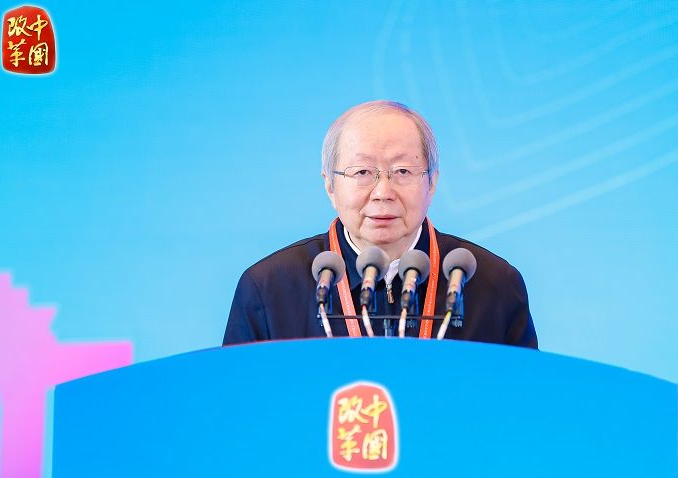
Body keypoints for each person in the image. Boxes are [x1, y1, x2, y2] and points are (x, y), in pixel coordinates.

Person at [223, 100, 538, 348]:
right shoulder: (269, 288)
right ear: (330, 185)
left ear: (432, 182)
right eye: (362, 172)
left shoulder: (493, 284)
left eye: (403, 172)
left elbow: (526, 401)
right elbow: (238, 403)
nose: (383, 193)